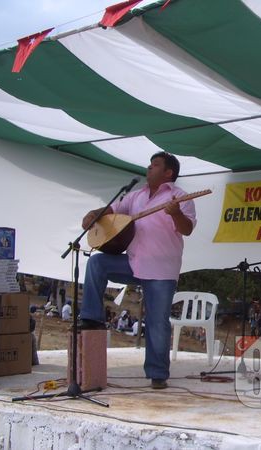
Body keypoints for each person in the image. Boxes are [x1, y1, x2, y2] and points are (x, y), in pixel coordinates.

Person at [78, 151, 196, 390]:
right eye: (150, 164)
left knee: (157, 322)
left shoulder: (181, 197)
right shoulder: (136, 196)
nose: (149, 168)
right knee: (97, 263)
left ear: (168, 172)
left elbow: (187, 229)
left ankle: (158, 374)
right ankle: (91, 318)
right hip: (134, 262)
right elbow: (112, 209)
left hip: (161, 269)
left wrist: (176, 213)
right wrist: (93, 214)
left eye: (155, 165)